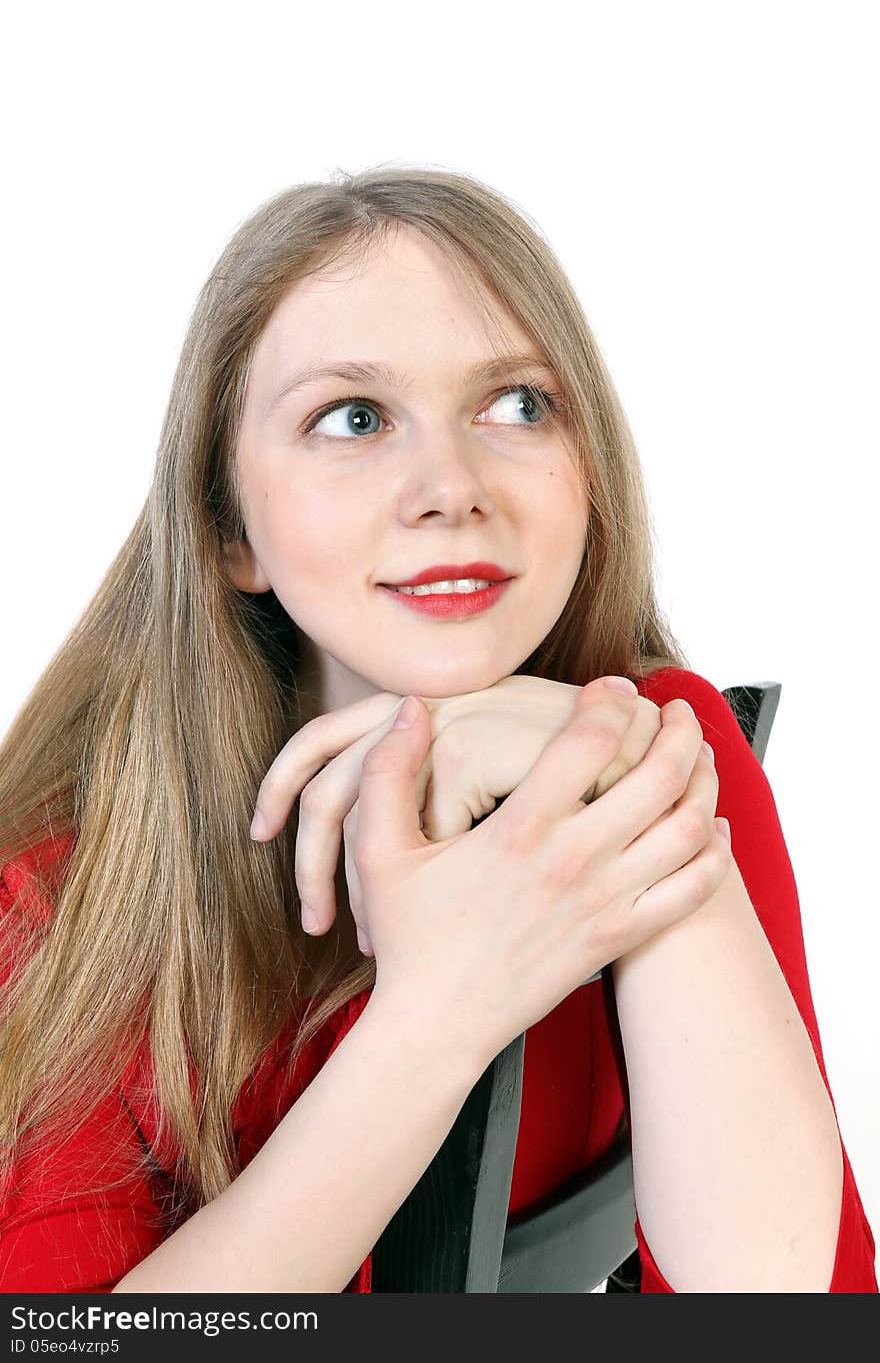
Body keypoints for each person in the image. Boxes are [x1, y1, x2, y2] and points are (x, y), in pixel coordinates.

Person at [0, 167, 875, 1295]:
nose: (449, 486)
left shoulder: (658, 746)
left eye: (517, 405)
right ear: (231, 530)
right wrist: (442, 1007)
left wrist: (627, 783)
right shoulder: (62, 895)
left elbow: (778, 1294)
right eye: (351, 419)